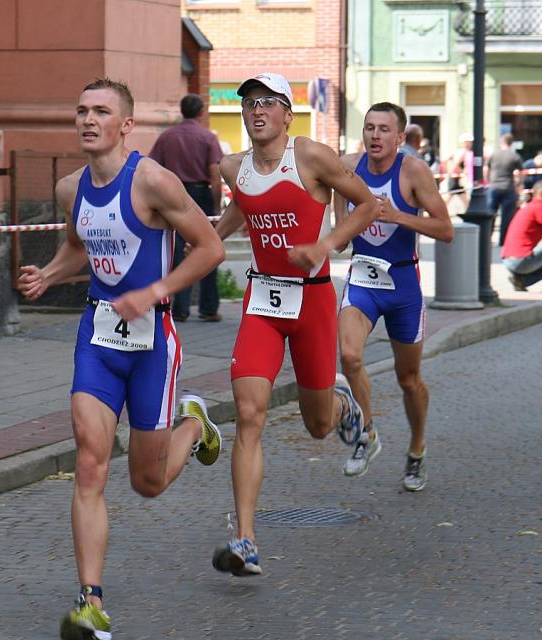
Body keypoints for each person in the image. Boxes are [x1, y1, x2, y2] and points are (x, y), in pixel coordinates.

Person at [18, 78, 225, 640]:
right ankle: (91, 602)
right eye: (81, 110)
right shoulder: (71, 188)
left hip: (153, 344)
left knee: (147, 482)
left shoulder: (153, 181)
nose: (88, 120)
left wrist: (156, 291)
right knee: (90, 462)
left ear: (126, 125)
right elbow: (78, 247)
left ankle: (194, 424)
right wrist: (48, 274)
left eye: (101, 112)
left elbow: (210, 247)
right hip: (98, 337)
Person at [209, 72, 379, 577]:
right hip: (262, 302)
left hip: (313, 302)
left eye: (268, 102)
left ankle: (342, 402)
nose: (257, 110)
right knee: (249, 413)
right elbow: (240, 211)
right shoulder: (233, 166)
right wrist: (196, 239)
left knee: (318, 426)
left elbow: (368, 204)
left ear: (287, 114)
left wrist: (326, 244)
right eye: (249, 103)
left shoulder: (310, 157)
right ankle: (245, 540)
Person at [334, 101, 454, 492]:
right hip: (363, 279)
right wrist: (341, 225)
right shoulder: (347, 167)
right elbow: (337, 202)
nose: (375, 135)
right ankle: (366, 433)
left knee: (409, 379)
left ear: (400, 137)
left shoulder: (413, 171)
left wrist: (397, 215)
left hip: (403, 285)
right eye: (369, 127)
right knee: (350, 356)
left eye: (384, 129)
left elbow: (446, 230)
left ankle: (417, 448)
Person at [150, 93, 224, 322]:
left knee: (178, 251)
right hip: (200, 193)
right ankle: (208, 308)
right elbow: (215, 175)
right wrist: (216, 206)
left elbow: (152, 167)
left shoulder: (166, 137)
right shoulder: (208, 138)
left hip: (171, 194)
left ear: (182, 111)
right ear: (201, 112)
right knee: (208, 245)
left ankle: (180, 309)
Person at [501, 180, 542, 292]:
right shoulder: (539, 206)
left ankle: (521, 281)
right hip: (520, 260)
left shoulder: (531, 206)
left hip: (509, 259)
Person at [485, 133, 523, 246]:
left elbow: (486, 169)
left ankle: (487, 239)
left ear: (502, 142)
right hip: (508, 188)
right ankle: (503, 241)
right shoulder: (514, 156)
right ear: (511, 143)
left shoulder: (494, 155)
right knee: (506, 217)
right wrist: (518, 184)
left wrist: (488, 181)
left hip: (494, 187)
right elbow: (521, 173)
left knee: (490, 214)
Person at [442, 132, 473, 211]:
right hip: (455, 179)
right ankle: (437, 213)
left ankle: (469, 212)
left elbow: (445, 160)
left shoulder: (459, 151)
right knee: (447, 198)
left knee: (464, 199)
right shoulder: (463, 151)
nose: (470, 144)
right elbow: (454, 164)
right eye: (468, 142)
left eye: (470, 142)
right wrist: (456, 172)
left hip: (457, 179)